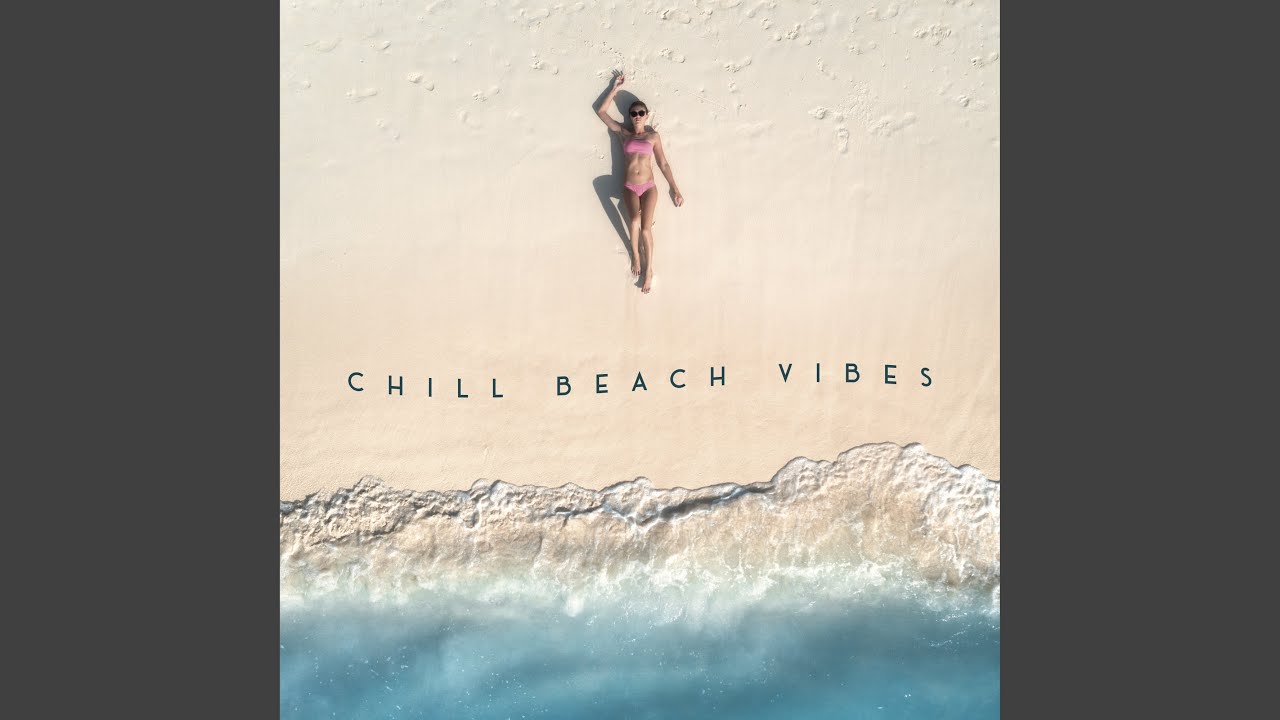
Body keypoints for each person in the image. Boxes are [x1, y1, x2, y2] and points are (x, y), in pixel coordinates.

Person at [595, 73, 684, 294]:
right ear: (630, 116)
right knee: (634, 220)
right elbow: (601, 112)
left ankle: (649, 270)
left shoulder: (653, 137)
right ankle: (636, 255)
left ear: (646, 115)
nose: (637, 116)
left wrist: (675, 188)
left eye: (641, 113)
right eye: (633, 113)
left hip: (649, 187)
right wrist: (614, 88)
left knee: (645, 228)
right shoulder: (623, 134)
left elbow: (663, 163)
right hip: (630, 187)